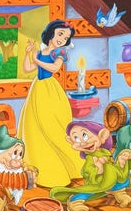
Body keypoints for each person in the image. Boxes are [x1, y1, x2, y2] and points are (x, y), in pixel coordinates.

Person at [17, 20, 84, 188]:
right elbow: (27, 68)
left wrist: (37, 60)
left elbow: (54, 68)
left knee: (53, 127)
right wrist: (28, 54)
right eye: (60, 34)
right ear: (51, 33)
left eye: (66, 37)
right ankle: (39, 166)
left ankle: (72, 167)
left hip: (50, 90)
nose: (62, 39)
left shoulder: (59, 52)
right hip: (38, 89)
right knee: (34, 125)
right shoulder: (41, 52)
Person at [50, 121, 131, 211]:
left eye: (84, 135)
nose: (83, 142)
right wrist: (98, 169)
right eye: (76, 138)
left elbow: (114, 170)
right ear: (71, 141)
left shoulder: (105, 153)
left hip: (110, 180)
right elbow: (85, 172)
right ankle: (74, 202)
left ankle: (118, 192)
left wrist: (121, 160)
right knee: (87, 192)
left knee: (121, 182)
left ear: (102, 136)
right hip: (97, 183)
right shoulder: (91, 158)